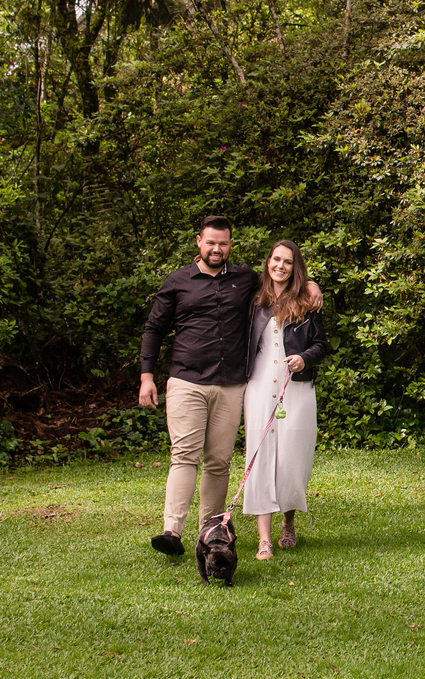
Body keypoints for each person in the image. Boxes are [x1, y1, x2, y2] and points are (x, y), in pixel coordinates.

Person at [139, 217, 319, 556]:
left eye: (223, 243)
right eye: (210, 242)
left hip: (230, 385)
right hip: (187, 380)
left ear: (230, 244)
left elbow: (282, 280)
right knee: (184, 455)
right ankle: (172, 530)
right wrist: (147, 376)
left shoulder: (244, 279)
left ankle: (211, 533)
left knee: (219, 461)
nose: (216, 249)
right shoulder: (177, 281)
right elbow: (154, 329)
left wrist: (310, 284)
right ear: (198, 242)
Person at [243, 240, 328, 560]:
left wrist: (305, 358)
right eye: (276, 259)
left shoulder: (307, 302)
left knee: (292, 458)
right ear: (268, 262)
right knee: (260, 458)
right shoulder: (253, 299)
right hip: (259, 387)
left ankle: (288, 522)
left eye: (288, 262)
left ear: (295, 267)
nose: (280, 266)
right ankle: (264, 539)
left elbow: (321, 344)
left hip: (298, 389)